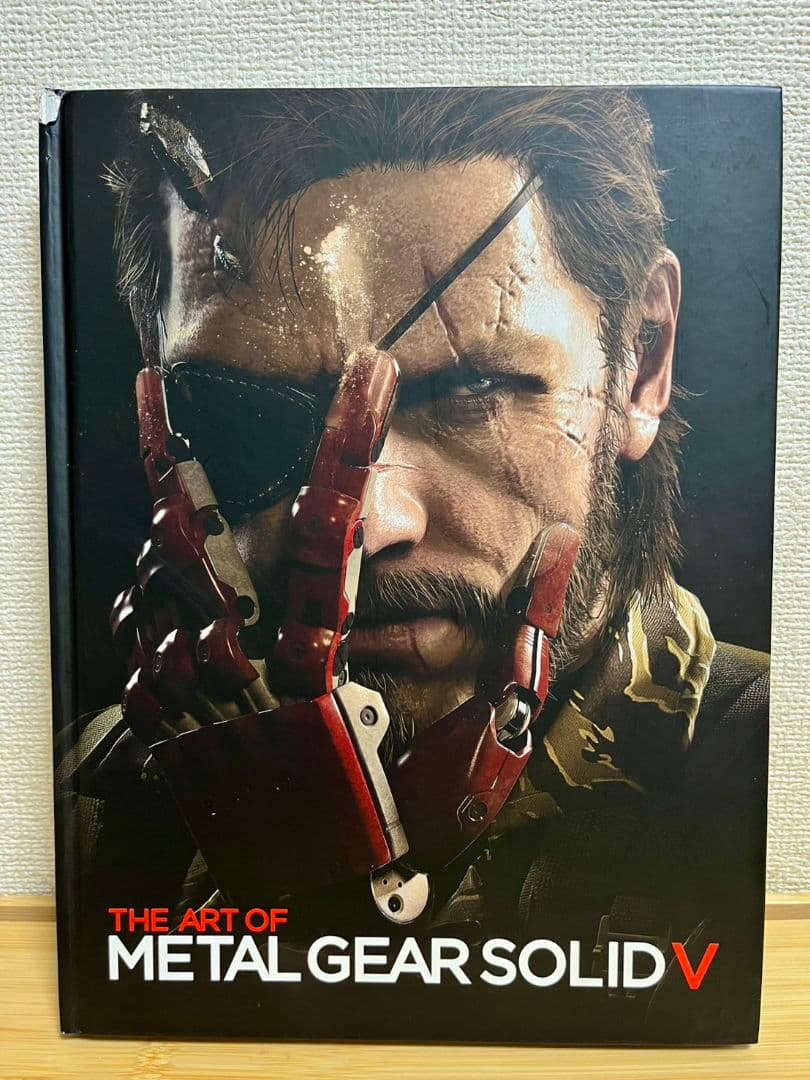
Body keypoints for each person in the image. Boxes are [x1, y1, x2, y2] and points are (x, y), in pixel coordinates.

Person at [59, 88, 768, 1039]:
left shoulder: (765, 789)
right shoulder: (87, 806)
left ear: (641, 359)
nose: (370, 522)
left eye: (471, 390)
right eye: (244, 409)